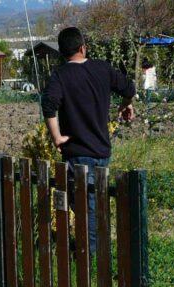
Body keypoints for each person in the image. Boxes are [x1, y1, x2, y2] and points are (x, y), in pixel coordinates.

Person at [41, 27, 136, 254]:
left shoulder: (60, 76)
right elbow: (129, 87)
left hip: (76, 152)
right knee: (93, 201)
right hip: (102, 150)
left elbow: (48, 106)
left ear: (62, 52)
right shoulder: (102, 68)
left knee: (86, 204)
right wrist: (126, 104)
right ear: (83, 47)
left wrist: (57, 137)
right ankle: (94, 246)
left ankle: (91, 253)